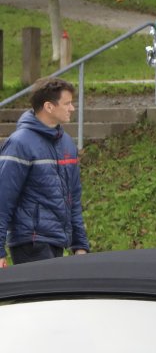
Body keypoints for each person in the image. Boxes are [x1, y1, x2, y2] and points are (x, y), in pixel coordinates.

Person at [0, 79, 88, 266]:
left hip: (57, 240)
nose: (72, 108)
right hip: (30, 243)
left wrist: (80, 244)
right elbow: (3, 199)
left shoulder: (67, 143)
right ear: (49, 106)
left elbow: (73, 197)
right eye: (67, 103)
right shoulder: (19, 143)